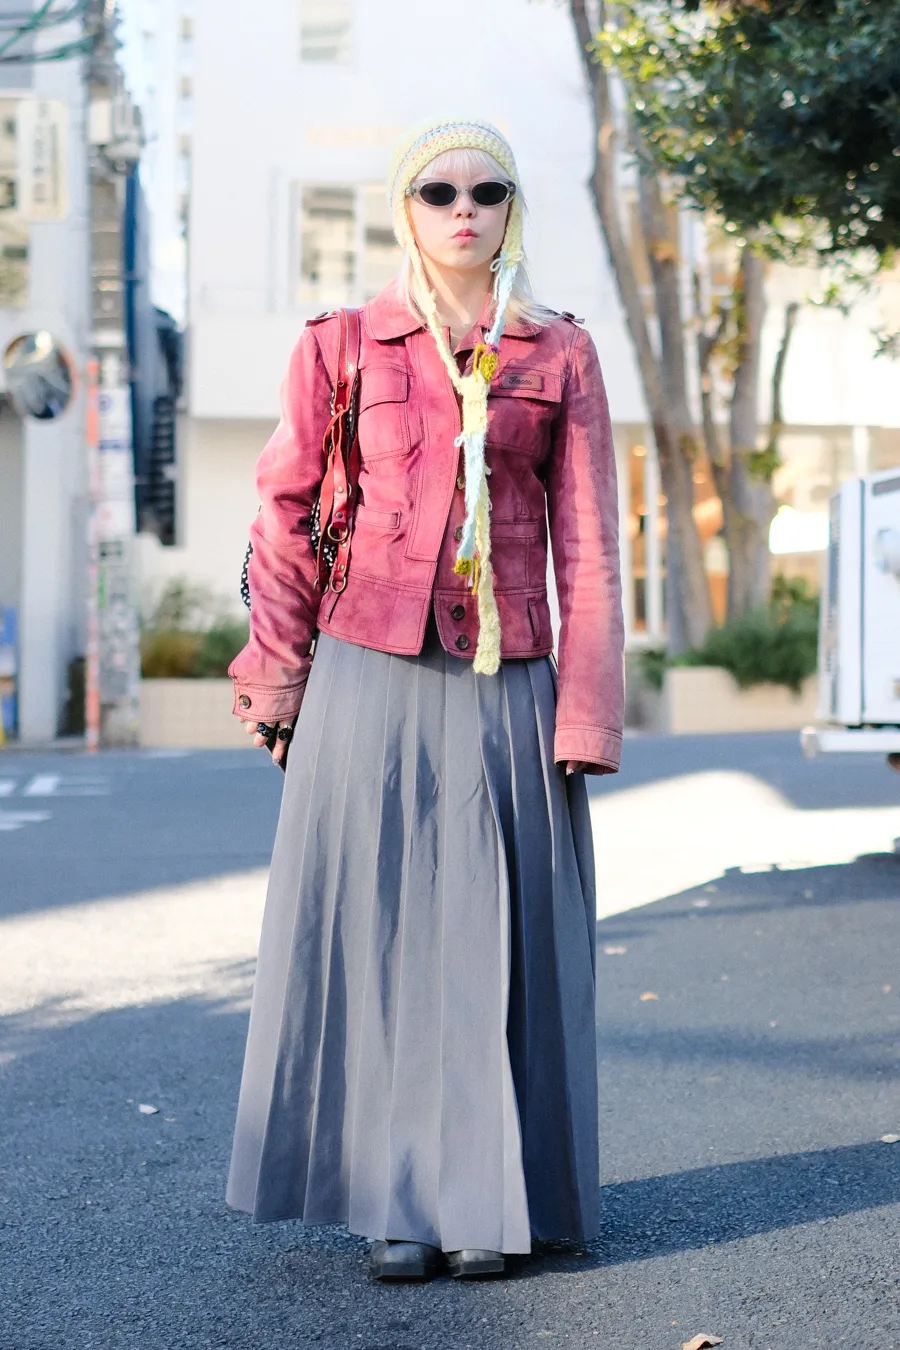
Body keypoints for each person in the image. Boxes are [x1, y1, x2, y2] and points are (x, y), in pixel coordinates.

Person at [225, 117, 624, 1283]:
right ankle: (398, 1202)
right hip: (367, 672)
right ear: (406, 210)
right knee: (387, 936)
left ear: (511, 210)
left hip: (511, 681)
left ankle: (491, 1204)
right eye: (439, 191)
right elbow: (284, 516)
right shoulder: (342, 343)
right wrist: (277, 677)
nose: (464, 210)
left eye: (487, 191)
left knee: (503, 945)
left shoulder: (560, 353)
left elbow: (591, 545)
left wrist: (587, 710)